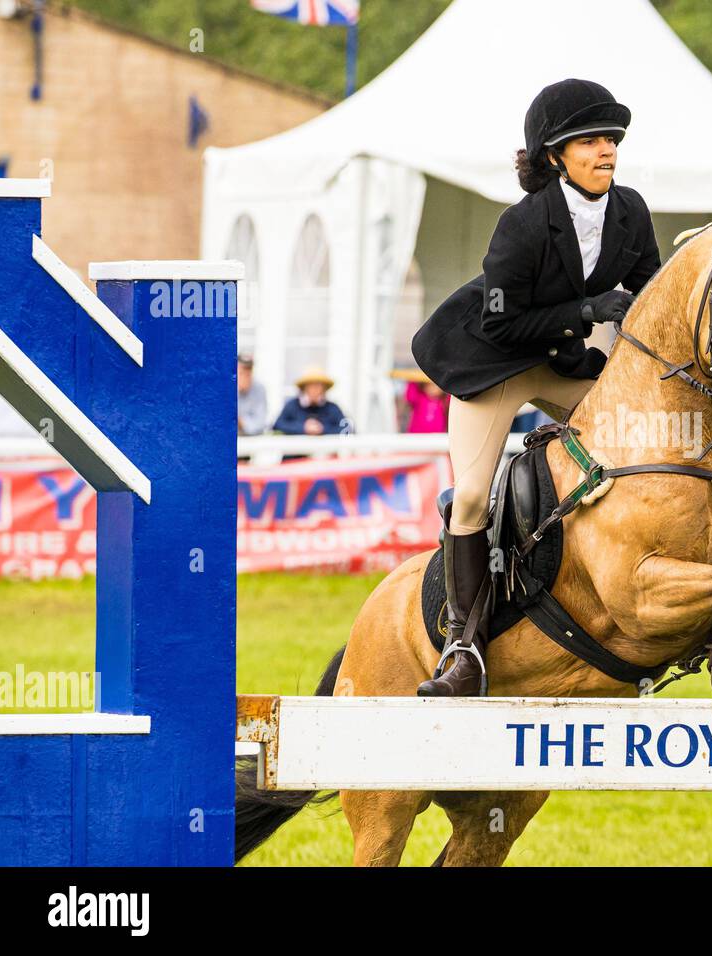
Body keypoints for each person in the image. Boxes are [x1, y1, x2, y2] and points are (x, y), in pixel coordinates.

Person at [409, 79, 662, 697]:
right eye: (591, 141)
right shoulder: (522, 224)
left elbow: (651, 295)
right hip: (493, 362)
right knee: (470, 496)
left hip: (560, 362)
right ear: (555, 156)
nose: (606, 151)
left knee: (641, 440)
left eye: (612, 140)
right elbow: (501, 320)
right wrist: (588, 309)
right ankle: (463, 646)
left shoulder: (630, 210)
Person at [272, 368, 347, 435]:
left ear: (324, 389)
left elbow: (346, 429)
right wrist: (303, 428)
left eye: (318, 386)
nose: (315, 390)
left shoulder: (332, 408)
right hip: (297, 449)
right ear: (304, 388)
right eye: (311, 386)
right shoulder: (292, 406)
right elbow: (277, 425)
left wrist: (322, 429)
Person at [237, 353, 268, 436]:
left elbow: (260, 424)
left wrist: (241, 422)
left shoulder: (259, 389)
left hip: (250, 442)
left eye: (248, 373)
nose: (245, 377)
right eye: (241, 373)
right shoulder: (224, 388)